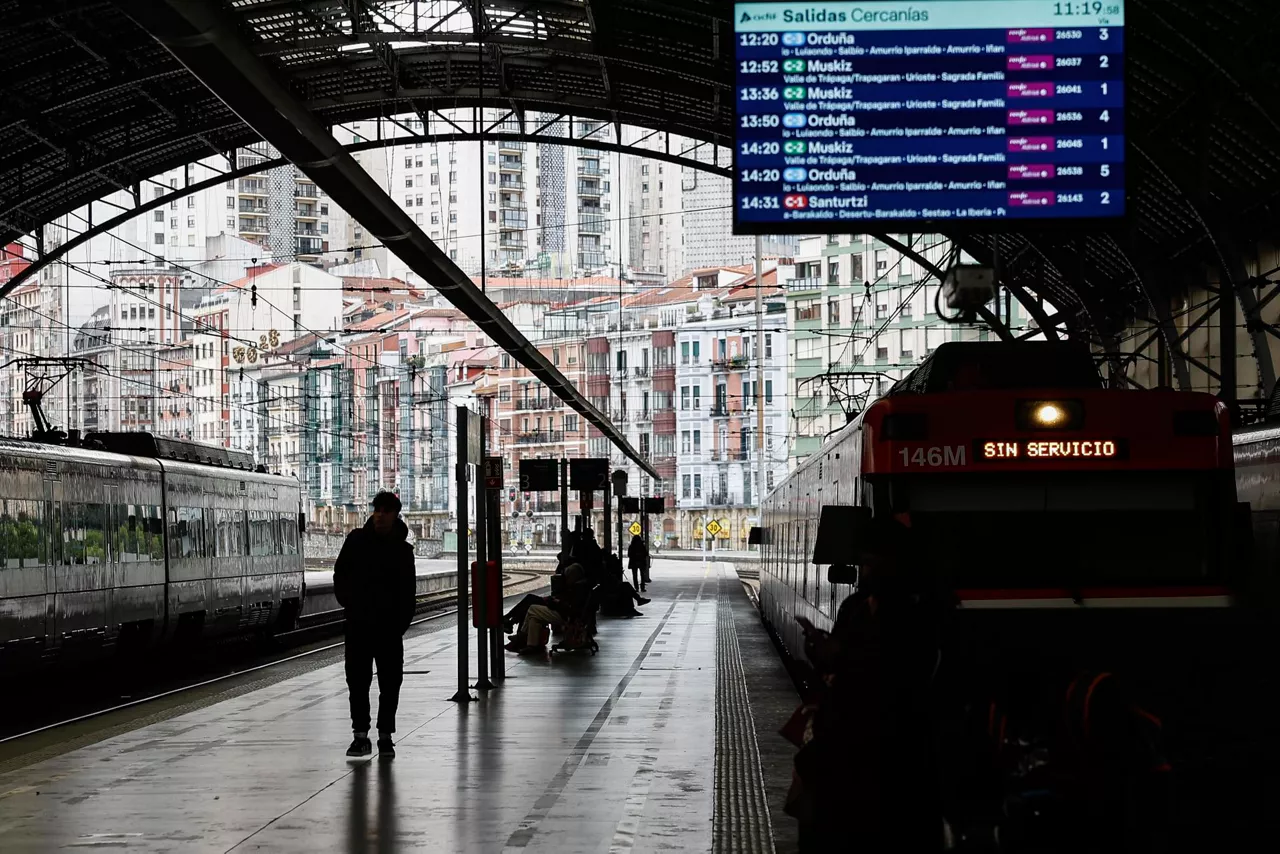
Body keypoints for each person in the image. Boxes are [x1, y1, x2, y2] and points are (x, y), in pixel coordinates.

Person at [787, 517, 950, 852]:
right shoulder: (854, 608)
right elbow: (839, 664)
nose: (863, 570)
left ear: (897, 567)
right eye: (862, 562)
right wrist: (819, 652)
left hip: (892, 760)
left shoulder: (919, 616)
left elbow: (901, 677)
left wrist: (841, 657)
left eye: (871, 564)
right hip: (841, 754)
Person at [334, 491, 417, 759]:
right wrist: (349, 603)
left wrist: (399, 625)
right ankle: (360, 736)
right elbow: (340, 573)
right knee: (357, 682)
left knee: (390, 683)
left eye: (386, 510)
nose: (380, 514)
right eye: (377, 509)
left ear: (395, 514)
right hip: (358, 625)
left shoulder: (404, 551)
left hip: (389, 629)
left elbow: (408, 592)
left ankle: (385, 736)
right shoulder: (356, 540)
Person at [600, 552, 650, 617]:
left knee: (626, 586)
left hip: (609, 589)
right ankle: (636, 602)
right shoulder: (604, 572)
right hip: (608, 590)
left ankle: (635, 604)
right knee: (626, 587)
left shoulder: (605, 571)